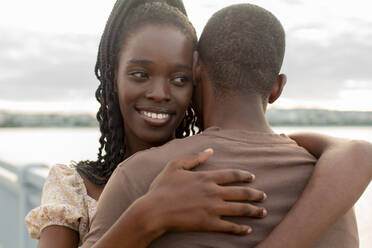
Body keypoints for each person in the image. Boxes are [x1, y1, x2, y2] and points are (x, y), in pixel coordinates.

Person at [26, 1, 372, 248]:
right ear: (111, 77)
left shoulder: (316, 173)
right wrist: (149, 214)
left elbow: (357, 153)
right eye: (140, 74)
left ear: (197, 76)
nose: (159, 93)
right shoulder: (75, 185)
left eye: (178, 78)